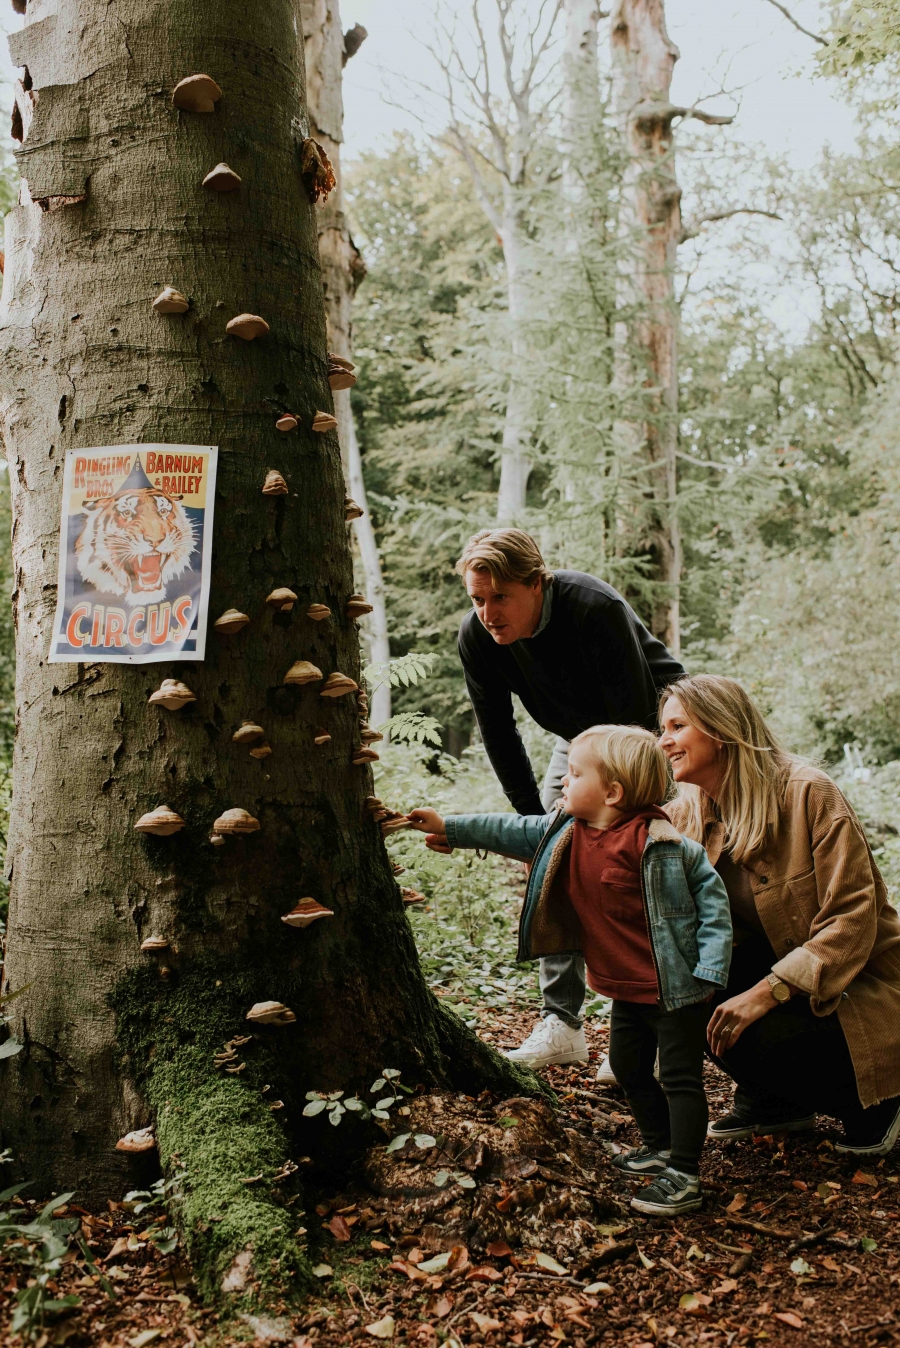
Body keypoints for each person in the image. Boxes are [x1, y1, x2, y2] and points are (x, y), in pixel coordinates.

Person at [408, 724, 732, 1215]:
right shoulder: (566, 831)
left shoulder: (665, 845)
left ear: (613, 791)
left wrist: (710, 971)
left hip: (674, 987)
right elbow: (510, 830)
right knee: (626, 1067)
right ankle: (660, 1146)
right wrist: (449, 826)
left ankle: (685, 1174)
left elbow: (714, 906)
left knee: (681, 1079)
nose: (563, 781)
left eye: (575, 773)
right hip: (624, 989)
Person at [456, 529, 684, 1073]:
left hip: (658, 731)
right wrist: (536, 821)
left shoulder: (592, 608)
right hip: (579, 737)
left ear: (536, 583)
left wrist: (602, 813)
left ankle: (645, 1029)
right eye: (477, 599)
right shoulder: (477, 637)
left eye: (500, 597)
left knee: (640, 862)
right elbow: (498, 732)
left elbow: (634, 717)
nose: (488, 613)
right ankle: (561, 1023)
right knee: (558, 850)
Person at [659, 674, 900, 1155]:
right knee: (688, 989)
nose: (663, 740)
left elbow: (853, 918)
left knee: (748, 1014)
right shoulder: (687, 812)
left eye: (677, 726)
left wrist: (767, 992)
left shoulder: (809, 793)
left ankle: (878, 1103)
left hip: (857, 989)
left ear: (721, 730)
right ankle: (775, 1101)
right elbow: (624, 841)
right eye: (663, 728)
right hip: (779, 986)